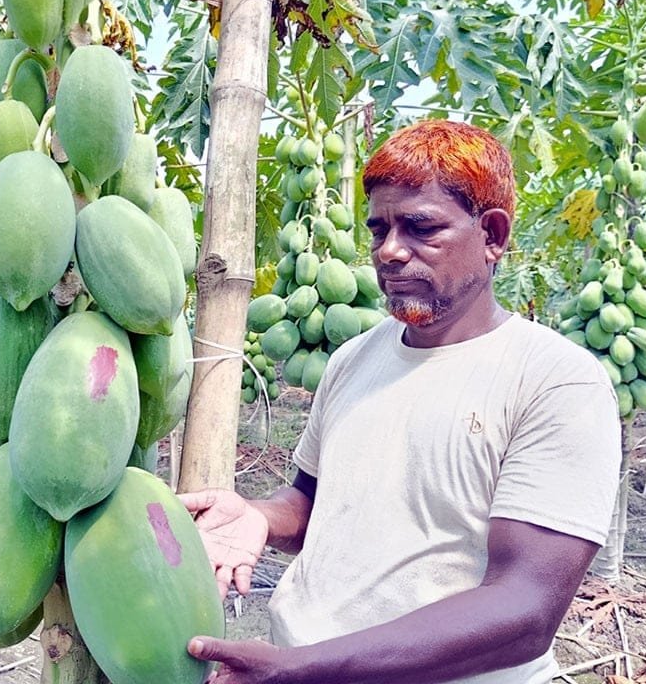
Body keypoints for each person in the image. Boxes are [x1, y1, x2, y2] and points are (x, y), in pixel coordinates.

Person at [181, 120, 622, 684]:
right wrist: (260, 518)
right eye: (379, 228)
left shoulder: (555, 382)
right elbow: (313, 503)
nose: (390, 251)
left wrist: (307, 669)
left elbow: (526, 609)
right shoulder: (353, 360)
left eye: (420, 228)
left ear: (492, 235)